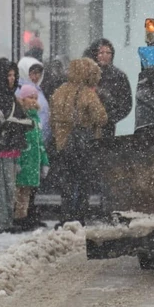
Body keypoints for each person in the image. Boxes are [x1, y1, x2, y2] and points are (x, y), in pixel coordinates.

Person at [50, 58, 107, 224]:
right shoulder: (87, 93)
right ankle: (80, 216)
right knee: (83, 181)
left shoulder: (59, 91)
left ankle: (65, 215)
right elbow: (102, 118)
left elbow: (52, 120)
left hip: (62, 143)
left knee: (66, 181)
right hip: (82, 144)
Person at [0, 59, 32, 233]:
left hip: (6, 147)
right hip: (2, 148)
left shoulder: (3, 97)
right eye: (8, 75)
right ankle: (1, 223)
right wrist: (19, 124)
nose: (11, 79)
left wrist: (16, 124)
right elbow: (6, 121)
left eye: (13, 75)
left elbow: (18, 122)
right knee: (5, 188)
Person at [14, 83, 49, 229]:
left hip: (33, 162)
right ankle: (17, 217)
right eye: (30, 97)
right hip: (25, 160)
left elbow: (40, 143)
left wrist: (44, 161)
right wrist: (18, 161)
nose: (33, 100)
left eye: (35, 97)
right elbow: (19, 142)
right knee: (18, 191)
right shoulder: (22, 117)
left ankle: (23, 217)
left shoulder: (35, 119)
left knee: (26, 192)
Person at [83, 39, 132, 138]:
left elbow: (126, 105)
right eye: (101, 52)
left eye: (108, 52)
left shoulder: (119, 77)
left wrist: (107, 118)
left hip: (107, 129)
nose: (105, 55)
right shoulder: (85, 74)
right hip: (84, 128)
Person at [18, 57, 51, 145]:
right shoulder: (21, 90)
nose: (36, 77)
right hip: (32, 141)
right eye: (33, 73)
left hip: (38, 140)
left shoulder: (36, 88)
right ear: (24, 72)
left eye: (39, 73)